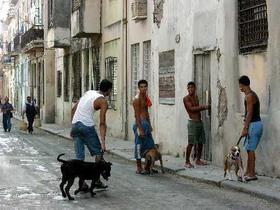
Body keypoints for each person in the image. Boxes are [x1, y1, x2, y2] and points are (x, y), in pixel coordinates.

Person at [71, 79, 112, 189]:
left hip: (75, 124)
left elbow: (74, 109)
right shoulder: (103, 101)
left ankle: (82, 183)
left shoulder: (89, 92)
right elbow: (102, 123)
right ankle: (97, 180)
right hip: (86, 126)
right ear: (109, 90)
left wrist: (73, 126)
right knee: (98, 153)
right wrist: (103, 143)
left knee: (79, 157)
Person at [239, 75, 263, 181]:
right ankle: (248, 172)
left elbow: (249, 113)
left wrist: (245, 128)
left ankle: (252, 174)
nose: (239, 87)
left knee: (250, 149)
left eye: (240, 85)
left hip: (254, 124)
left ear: (243, 85)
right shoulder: (251, 94)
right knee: (249, 149)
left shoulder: (249, 96)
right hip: (255, 124)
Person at [183, 82, 210, 168]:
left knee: (200, 141)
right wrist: (204, 107)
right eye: (188, 88)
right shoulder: (186, 98)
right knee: (191, 142)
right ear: (187, 89)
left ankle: (198, 160)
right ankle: (187, 161)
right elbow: (191, 109)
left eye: (192, 87)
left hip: (199, 122)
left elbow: (197, 109)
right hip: (192, 122)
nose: (190, 89)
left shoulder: (196, 97)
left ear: (195, 88)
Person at [132, 79, 155, 174]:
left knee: (150, 145)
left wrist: (149, 125)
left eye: (145, 86)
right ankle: (138, 167)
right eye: (141, 87)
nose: (143, 88)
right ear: (138, 88)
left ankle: (147, 167)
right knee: (138, 146)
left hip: (146, 124)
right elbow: (136, 115)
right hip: (139, 124)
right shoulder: (136, 99)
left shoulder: (145, 97)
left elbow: (146, 112)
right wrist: (140, 129)